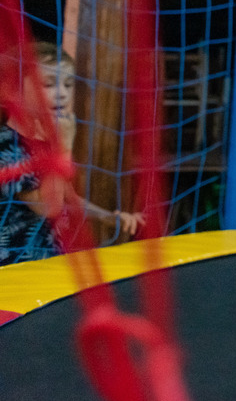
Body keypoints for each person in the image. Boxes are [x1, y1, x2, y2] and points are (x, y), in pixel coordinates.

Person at [0, 43, 144, 266]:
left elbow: (68, 197)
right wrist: (63, 148)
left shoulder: (42, 141)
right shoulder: (6, 144)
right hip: (16, 273)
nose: (62, 94)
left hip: (49, 263)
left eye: (68, 84)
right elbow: (48, 207)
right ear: (12, 91)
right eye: (48, 84)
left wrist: (110, 217)